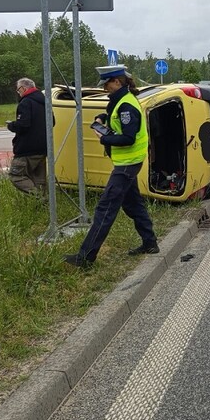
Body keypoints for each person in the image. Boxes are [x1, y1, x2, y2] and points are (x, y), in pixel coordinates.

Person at [64, 64, 158, 269]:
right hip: (128, 163)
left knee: (105, 208)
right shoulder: (121, 101)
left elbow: (128, 138)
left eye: (106, 84)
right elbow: (117, 119)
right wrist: (103, 118)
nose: (104, 87)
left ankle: (85, 257)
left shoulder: (126, 106)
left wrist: (104, 138)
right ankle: (150, 243)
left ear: (117, 82)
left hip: (127, 164)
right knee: (133, 204)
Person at [7, 77, 51, 194]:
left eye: (18, 90)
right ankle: (43, 201)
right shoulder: (45, 101)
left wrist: (12, 125)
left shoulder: (25, 102)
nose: (18, 93)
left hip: (27, 149)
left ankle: (38, 197)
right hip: (43, 147)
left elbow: (23, 125)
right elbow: (52, 122)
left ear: (23, 88)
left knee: (16, 175)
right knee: (39, 180)